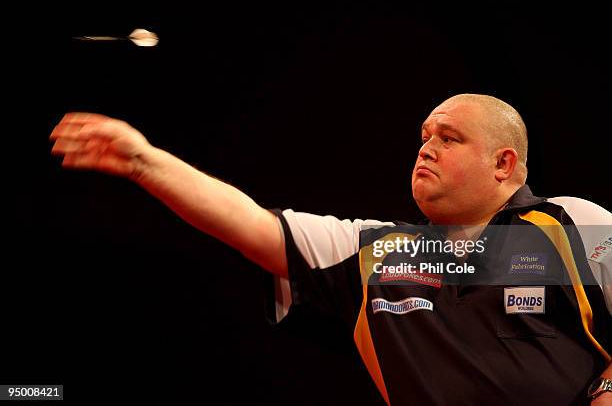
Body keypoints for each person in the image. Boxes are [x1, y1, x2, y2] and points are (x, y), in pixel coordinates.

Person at [50, 93, 611, 405]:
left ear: (503, 163)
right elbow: (251, 223)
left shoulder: (572, 224)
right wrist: (143, 161)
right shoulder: (375, 253)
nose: (427, 149)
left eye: (449, 138)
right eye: (423, 138)